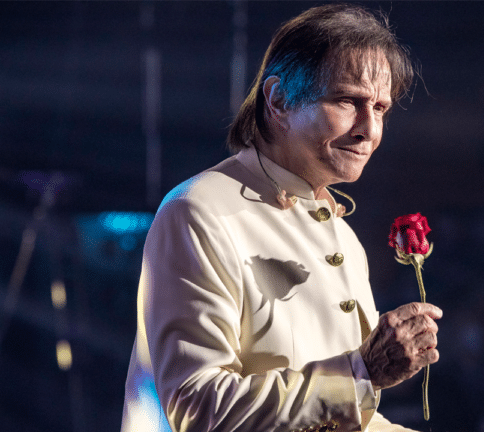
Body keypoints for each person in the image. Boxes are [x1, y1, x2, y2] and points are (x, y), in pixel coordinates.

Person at [121, 4, 441, 432]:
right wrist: (359, 373)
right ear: (279, 100)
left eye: (380, 108)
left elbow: (347, 421)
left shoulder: (342, 237)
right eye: (348, 100)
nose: (370, 129)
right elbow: (198, 405)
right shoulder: (198, 211)